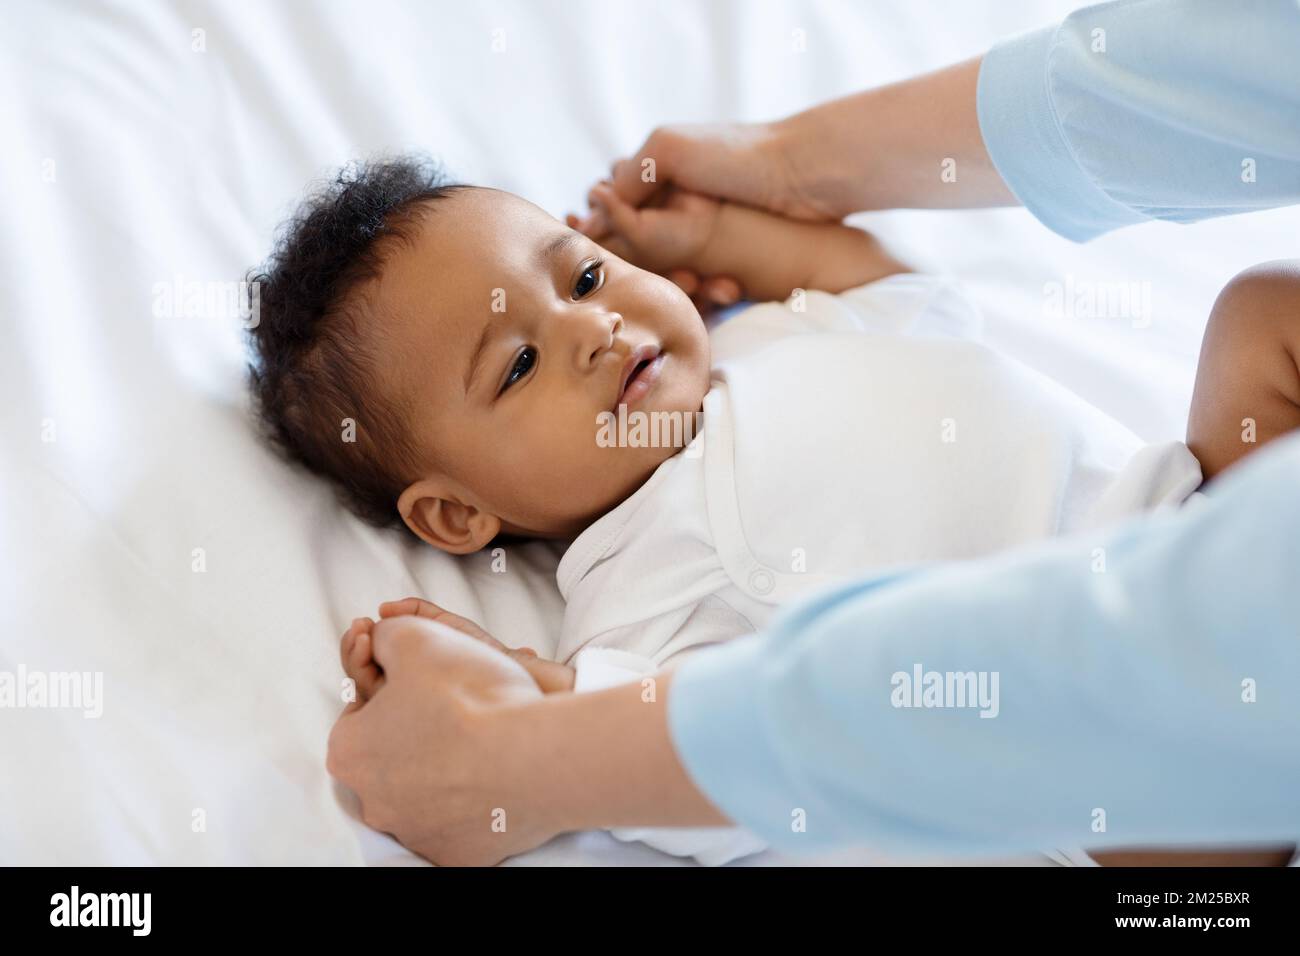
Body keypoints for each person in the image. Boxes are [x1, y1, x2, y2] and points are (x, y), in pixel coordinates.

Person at [326, 0, 1300, 866]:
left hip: (1198, 532)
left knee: (1263, 311)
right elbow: (673, 766)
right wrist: (523, 692)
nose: (591, 329)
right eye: (519, 364)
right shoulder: (634, 585)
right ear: (457, 511)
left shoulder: (771, 334)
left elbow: (879, 282)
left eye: (583, 277)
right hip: (1123, 783)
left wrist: (716, 234)